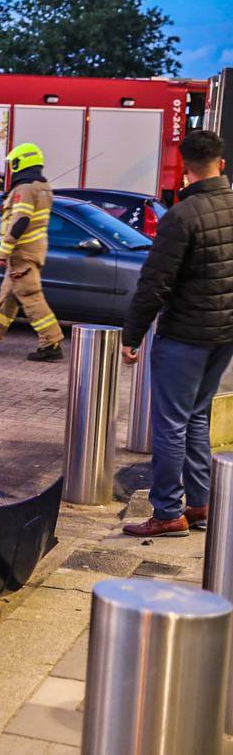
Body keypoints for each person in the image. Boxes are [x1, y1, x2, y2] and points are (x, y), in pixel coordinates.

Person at [121, 129, 233, 538]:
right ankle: (200, 504)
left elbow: (154, 284)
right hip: (223, 334)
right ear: (220, 165)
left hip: (185, 334)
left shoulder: (181, 217)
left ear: (186, 170)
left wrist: (131, 335)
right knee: (197, 417)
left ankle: (167, 511)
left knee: (170, 424)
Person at [0, 143, 63, 361]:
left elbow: (20, 221)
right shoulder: (43, 187)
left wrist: (4, 250)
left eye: (14, 164)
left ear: (22, 162)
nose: (13, 169)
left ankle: (51, 343)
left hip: (22, 252)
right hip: (32, 249)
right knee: (9, 296)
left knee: (31, 297)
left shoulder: (25, 189)